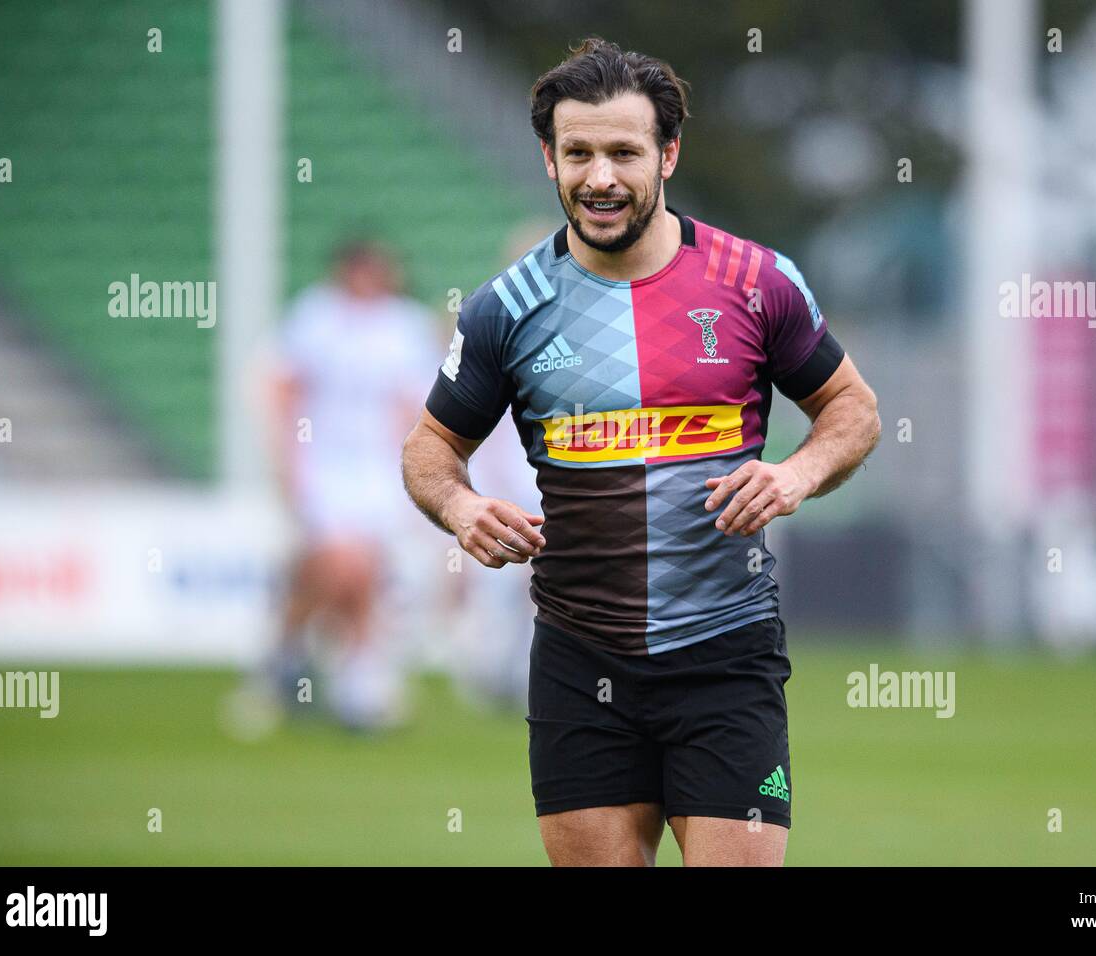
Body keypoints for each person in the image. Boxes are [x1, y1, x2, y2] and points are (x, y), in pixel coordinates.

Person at [401, 39, 880, 865]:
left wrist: (796, 472)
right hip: (580, 658)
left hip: (725, 652)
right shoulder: (504, 309)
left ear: (668, 152)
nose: (600, 178)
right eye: (578, 153)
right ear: (549, 157)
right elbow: (431, 447)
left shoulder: (754, 281)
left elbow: (853, 410)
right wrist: (459, 504)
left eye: (624, 152)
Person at [265, 238, 440, 731]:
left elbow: (414, 403)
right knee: (340, 562)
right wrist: (287, 461)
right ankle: (314, 659)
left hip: (380, 470)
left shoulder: (403, 325)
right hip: (325, 465)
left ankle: (350, 676)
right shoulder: (316, 317)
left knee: (364, 570)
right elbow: (283, 386)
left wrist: (419, 467)